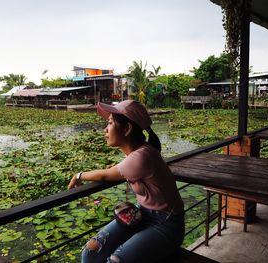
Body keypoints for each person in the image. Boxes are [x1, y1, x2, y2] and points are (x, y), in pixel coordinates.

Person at [68, 100, 184, 263]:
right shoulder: (140, 153)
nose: (105, 129)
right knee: (90, 252)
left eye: (109, 123)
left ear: (127, 129)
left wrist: (78, 175)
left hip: (166, 224)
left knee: (115, 260)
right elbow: (119, 170)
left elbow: (105, 175)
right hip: (142, 214)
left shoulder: (142, 156)